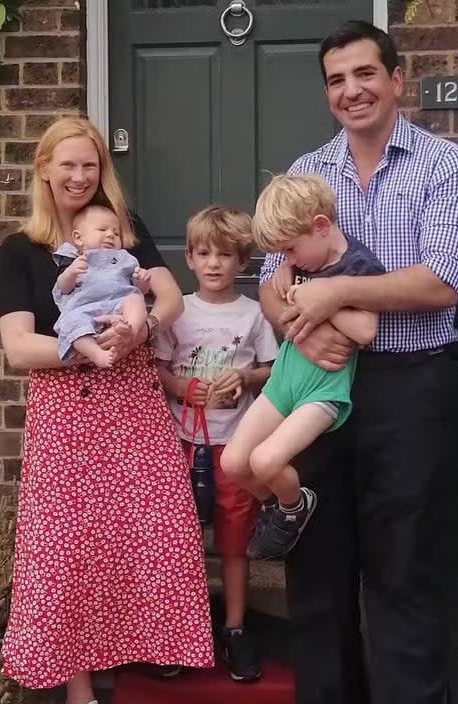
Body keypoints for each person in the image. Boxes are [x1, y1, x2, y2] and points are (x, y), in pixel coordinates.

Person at [256, 21, 458, 704]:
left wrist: (334, 293)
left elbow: (440, 281)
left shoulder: (445, 166)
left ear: (396, 79)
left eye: (364, 74)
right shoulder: (305, 173)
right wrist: (298, 326)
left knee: (401, 570)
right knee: (316, 574)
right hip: (321, 385)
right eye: (336, 80)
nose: (351, 91)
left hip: (406, 390)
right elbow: (271, 282)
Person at [0, 116, 214, 704]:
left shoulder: (123, 229)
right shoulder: (20, 250)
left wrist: (137, 336)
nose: (79, 176)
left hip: (135, 405)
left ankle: (154, 649)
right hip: (66, 412)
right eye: (67, 165)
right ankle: (80, 688)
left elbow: (168, 298)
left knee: (155, 532)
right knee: (69, 549)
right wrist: (90, 353)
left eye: (89, 165)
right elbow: (19, 348)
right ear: (44, 169)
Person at [220, 174, 382, 562]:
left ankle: (295, 505)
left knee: (265, 460)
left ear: (321, 227)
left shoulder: (358, 267)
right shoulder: (297, 265)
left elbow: (365, 330)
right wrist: (292, 287)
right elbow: (278, 289)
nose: (287, 260)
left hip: (322, 391)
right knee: (233, 462)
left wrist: (319, 302)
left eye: (290, 250)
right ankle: (283, 508)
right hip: (284, 381)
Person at [153, 205, 279, 683]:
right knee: (177, 541)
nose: (213, 263)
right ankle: (176, 631)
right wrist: (181, 388)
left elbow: (271, 369)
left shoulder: (253, 315)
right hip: (179, 444)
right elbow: (159, 368)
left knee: (234, 541)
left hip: (235, 447)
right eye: (203, 253)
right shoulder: (177, 312)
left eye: (224, 255)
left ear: (242, 262)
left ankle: (234, 628)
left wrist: (245, 378)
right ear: (188, 257)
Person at [52, 204, 152, 368]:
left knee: (135, 300)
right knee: (71, 323)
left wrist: (142, 281)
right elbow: (62, 289)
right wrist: (71, 273)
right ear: (79, 238)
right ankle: (96, 353)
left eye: (116, 232)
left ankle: (131, 330)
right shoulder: (73, 258)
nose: (110, 235)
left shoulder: (124, 258)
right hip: (84, 308)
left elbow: (140, 290)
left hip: (118, 305)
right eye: (102, 229)